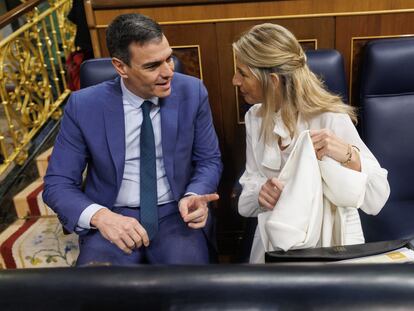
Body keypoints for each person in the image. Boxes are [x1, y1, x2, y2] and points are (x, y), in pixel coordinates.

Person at [43, 13, 222, 265]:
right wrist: (101, 217)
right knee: (101, 295)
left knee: (190, 291)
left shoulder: (192, 92)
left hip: (176, 213)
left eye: (169, 59)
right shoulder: (84, 106)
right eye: (152, 66)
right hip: (112, 215)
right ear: (120, 67)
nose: (168, 72)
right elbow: (57, 183)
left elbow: (209, 160)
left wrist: (195, 194)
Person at [232, 23, 390, 263]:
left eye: (243, 73)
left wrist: (350, 156)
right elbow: (250, 189)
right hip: (277, 238)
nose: (235, 80)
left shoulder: (330, 118)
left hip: (331, 246)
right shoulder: (254, 117)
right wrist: (260, 194)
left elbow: (377, 197)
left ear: (273, 81)